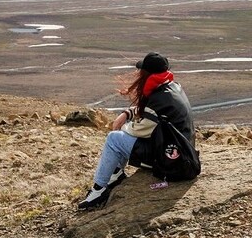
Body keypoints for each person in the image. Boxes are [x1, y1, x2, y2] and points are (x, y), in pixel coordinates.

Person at [78, 52, 195, 210]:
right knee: (120, 138)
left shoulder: (159, 99)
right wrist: (128, 113)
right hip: (180, 154)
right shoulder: (171, 88)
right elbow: (152, 114)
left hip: (170, 161)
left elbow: (139, 130)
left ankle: (99, 191)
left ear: (147, 74)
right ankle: (116, 174)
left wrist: (123, 125)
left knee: (114, 139)